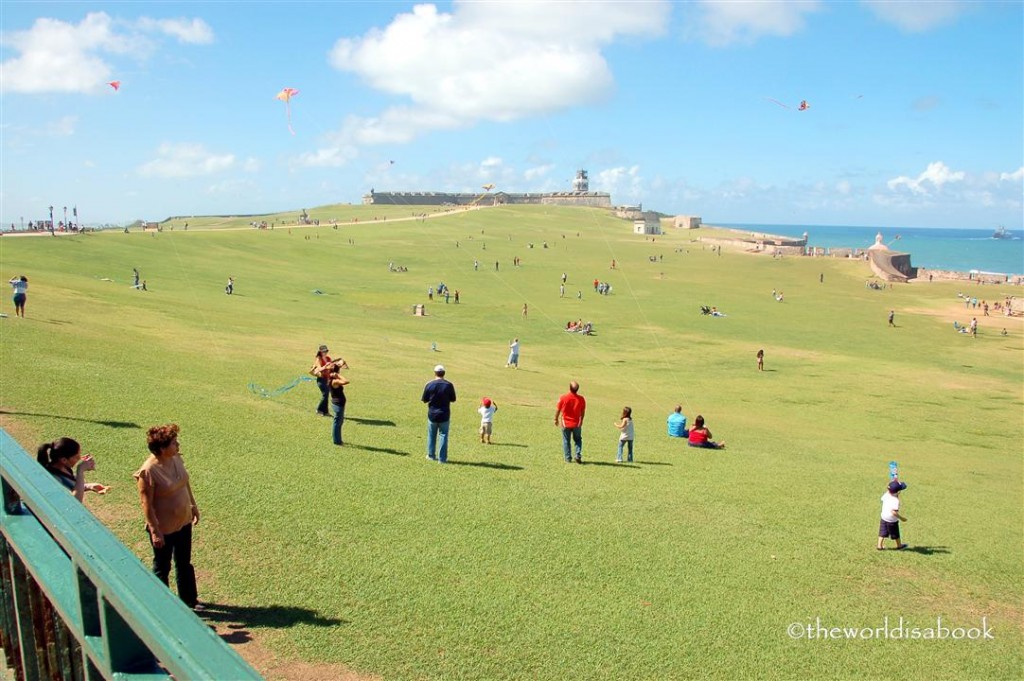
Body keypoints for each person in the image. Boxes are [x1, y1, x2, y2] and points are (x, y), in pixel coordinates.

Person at [134, 424, 200, 609]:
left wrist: (193, 505)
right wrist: (155, 531)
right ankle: (160, 606)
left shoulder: (176, 458)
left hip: (183, 521)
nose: (177, 445)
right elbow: (146, 504)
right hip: (163, 528)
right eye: (173, 443)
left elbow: (185, 483)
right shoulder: (148, 471)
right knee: (162, 567)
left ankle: (189, 601)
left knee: (184, 563)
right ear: (162, 449)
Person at [36, 437, 109, 502]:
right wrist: (80, 471)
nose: (79, 458)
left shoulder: (64, 468)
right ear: (64, 460)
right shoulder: (54, 478)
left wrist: (89, 486)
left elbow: (73, 486)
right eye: (76, 457)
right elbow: (75, 502)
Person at [422, 364, 457, 463]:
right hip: (444, 414)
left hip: (432, 414)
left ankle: (431, 455)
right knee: (443, 436)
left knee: (431, 435)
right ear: (444, 373)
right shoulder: (449, 385)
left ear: (435, 373)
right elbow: (453, 399)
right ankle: (442, 459)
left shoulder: (429, 384)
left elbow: (424, 399)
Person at [310, 345, 347, 416]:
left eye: (326, 351)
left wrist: (337, 365)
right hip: (321, 379)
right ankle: (319, 410)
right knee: (325, 394)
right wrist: (326, 367)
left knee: (326, 395)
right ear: (320, 352)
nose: (325, 352)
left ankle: (325, 412)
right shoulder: (319, 359)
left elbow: (332, 367)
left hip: (328, 379)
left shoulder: (328, 358)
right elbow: (318, 369)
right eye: (324, 351)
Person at [554, 381, 586, 463]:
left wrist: (556, 419)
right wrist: (581, 420)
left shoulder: (563, 398)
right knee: (578, 439)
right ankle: (578, 454)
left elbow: (558, 410)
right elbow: (582, 411)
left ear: (569, 388)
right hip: (577, 423)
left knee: (566, 440)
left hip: (566, 423)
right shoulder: (581, 399)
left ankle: (568, 458)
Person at [877, 480, 908, 550]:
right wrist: (901, 518)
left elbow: (882, 498)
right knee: (896, 533)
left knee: (882, 532)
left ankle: (879, 546)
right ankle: (899, 546)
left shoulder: (886, 495)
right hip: (892, 520)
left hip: (884, 517)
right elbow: (893, 512)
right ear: (898, 492)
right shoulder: (895, 500)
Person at [329, 370, 350, 446]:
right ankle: (337, 441)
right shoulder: (335, 381)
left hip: (339, 404)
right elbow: (346, 381)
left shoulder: (332, 380)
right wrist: (338, 375)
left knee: (339, 422)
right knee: (337, 423)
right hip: (338, 405)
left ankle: (338, 440)